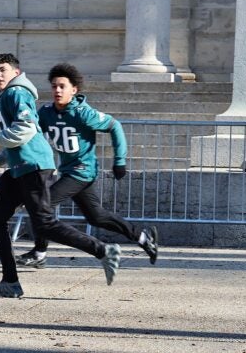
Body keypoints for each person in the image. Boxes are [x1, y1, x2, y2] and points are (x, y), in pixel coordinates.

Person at [0, 53, 121, 298]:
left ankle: (103, 250)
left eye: (3, 70)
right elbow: (25, 136)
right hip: (20, 167)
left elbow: (25, 129)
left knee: (44, 224)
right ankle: (10, 282)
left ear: (16, 72)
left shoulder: (16, 93)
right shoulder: (10, 94)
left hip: (32, 167)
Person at [17, 63, 158, 269]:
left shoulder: (83, 113)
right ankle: (143, 237)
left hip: (82, 171)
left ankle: (39, 253)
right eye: (54, 86)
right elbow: (31, 134)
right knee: (96, 217)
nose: (57, 90)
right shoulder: (46, 113)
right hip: (68, 171)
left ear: (74, 90)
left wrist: (119, 161)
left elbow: (115, 126)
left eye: (62, 86)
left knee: (42, 207)